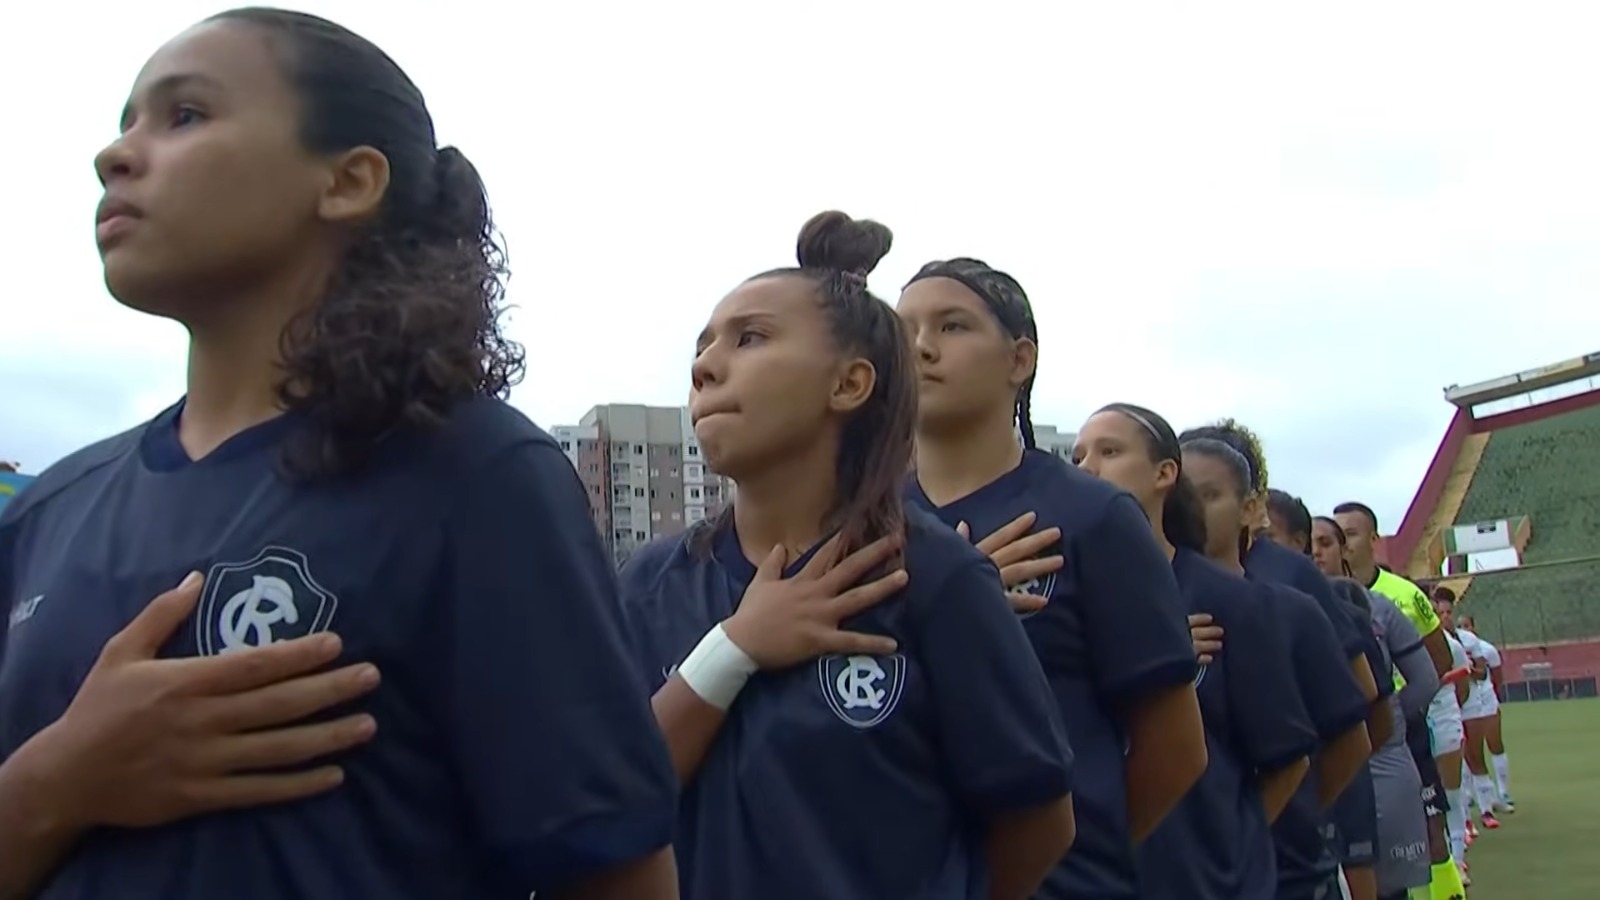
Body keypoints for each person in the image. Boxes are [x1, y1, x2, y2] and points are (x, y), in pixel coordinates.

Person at [0, 10, 679, 900]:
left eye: (185, 116)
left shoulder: (474, 477)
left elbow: (615, 877)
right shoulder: (47, 510)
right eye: (124, 120)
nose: (114, 155)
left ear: (348, 181)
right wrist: (60, 783)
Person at [623, 213, 1076, 900]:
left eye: (750, 338)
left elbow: (1038, 822)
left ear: (849, 384)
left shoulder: (935, 580)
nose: (705, 365)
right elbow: (613, 798)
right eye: (703, 347)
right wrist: (736, 646)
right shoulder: (650, 586)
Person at [897, 259, 1205, 900]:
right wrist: (959, 598)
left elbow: (1174, 749)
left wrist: (1074, 852)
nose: (921, 347)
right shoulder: (864, 523)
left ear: (1020, 360)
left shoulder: (1093, 516)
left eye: (952, 326)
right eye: (903, 330)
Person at [1073, 404, 1316, 900]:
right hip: (1094, 877)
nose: (1087, 467)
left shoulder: (1230, 601)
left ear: (1166, 473)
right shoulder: (1064, 596)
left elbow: (1288, 760)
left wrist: (1232, 853)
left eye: (1109, 451)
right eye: (1077, 456)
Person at [1179, 438, 1370, 900]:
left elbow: (1353, 737)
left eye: (1209, 496)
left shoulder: (1291, 609)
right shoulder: (1139, 611)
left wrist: (1270, 820)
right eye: (1182, 499)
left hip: (1288, 873)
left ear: (1249, 510)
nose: (1192, 512)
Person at [1331, 502, 1466, 898]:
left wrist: (1393, 716)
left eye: (1350, 534)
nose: (1343, 544)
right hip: (1356, 741)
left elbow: (1437, 661)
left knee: (1430, 833)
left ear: (1372, 540)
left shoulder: (1401, 594)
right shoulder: (1317, 596)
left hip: (1400, 735)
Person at [1264, 491, 1394, 900]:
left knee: (1354, 871)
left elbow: (1376, 707)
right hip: (1283, 811)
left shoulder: (1339, 608)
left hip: (1335, 782)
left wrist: (1332, 772)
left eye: (1269, 538)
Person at [1312, 517, 1439, 900]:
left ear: (1344, 551)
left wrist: (1389, 718)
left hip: (1381, 764)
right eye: (1310, 544)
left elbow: (1426, 679)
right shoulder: (1283, 606)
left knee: (1386, 889)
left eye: (1326, 542)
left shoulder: (1379, 608)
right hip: (1316, 769)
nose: (1316, 552)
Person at [1433, 589, 1501, 835]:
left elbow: (1483, 672)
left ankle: (1487, 809)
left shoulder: (1467, 641)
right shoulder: (1432, 642)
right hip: (1447, 708)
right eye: (1439, 613)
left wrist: (1469, 670)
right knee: (1455, 767)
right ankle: (1464, 820)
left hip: (1470, 703)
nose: (1445, 617)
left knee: (1475, 756)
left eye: (1448, 612)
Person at [1457, 613, 1513, 812]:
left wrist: (1492, 697)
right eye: (1460, 626)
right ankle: (1476, 796)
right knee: (1467, 751)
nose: (1463, 629)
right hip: (1464, 701)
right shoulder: (1453, 646)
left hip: (1486, 699)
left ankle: (1504, 792)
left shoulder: (1487, 649)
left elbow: (1496, 678)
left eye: (1466, 625)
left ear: (1473, 627)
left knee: (1494, 744)